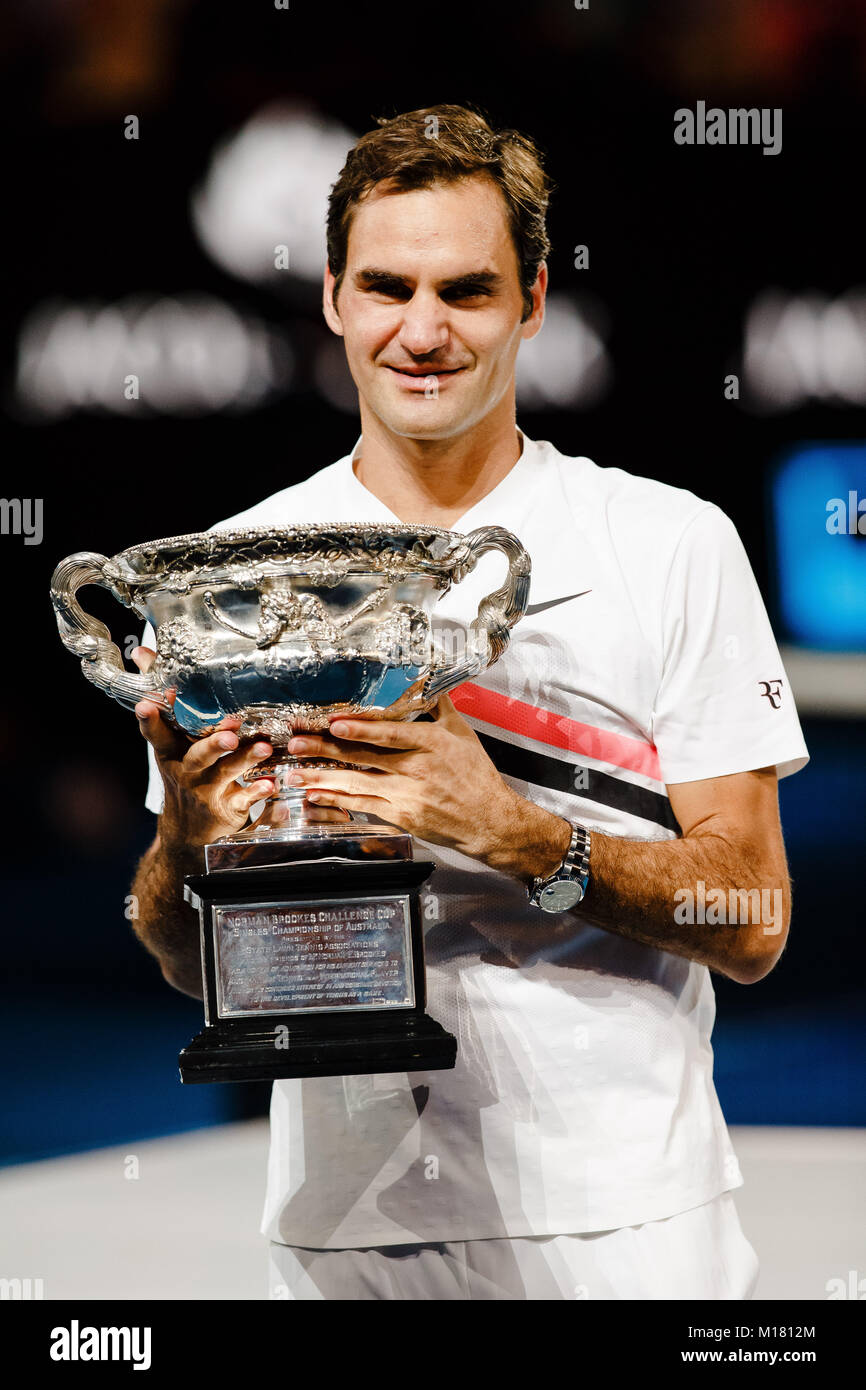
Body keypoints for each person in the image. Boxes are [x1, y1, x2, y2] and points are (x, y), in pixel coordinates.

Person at [129, 104, 808, 1301]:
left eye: (468, 291)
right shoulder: (237, 567)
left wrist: (520, 835)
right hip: (343, 1224)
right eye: (387, 287)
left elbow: (750, 913)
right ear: (333, 296)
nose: (423, 332)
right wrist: (187, 843)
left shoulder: (667, 541)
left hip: (628, 1222)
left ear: (533, 300)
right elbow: (191, 965)